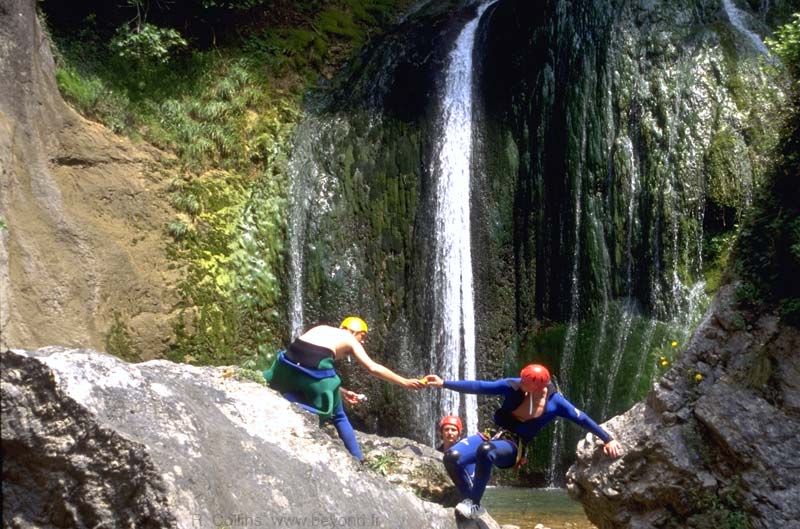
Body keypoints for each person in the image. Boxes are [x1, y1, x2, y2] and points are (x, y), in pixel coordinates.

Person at [424, 364, 621, 519]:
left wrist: (608, 439)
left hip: (514, 445)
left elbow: (582, 418)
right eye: (522, 380)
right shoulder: (513, 385)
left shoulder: (555, 403)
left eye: (526, 383)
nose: (522, 384)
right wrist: (444, 383)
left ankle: (474, 504)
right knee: (452, 456)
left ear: (539, 387)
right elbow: (480, 386)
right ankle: (470, 499)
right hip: (494, 434)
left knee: (485, 451)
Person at [263, 316, 425, 462]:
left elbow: (307, 364)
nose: (363, 342)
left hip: (287, 363)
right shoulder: (350, 338)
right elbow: (372, 368)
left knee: (310, 383)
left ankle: (285, 397)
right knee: (338, 415)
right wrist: (405, 382)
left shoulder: (321, 328)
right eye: (363, 336)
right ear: (353, 331)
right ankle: (358, 458)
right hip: (315, 366)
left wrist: (342, 391)